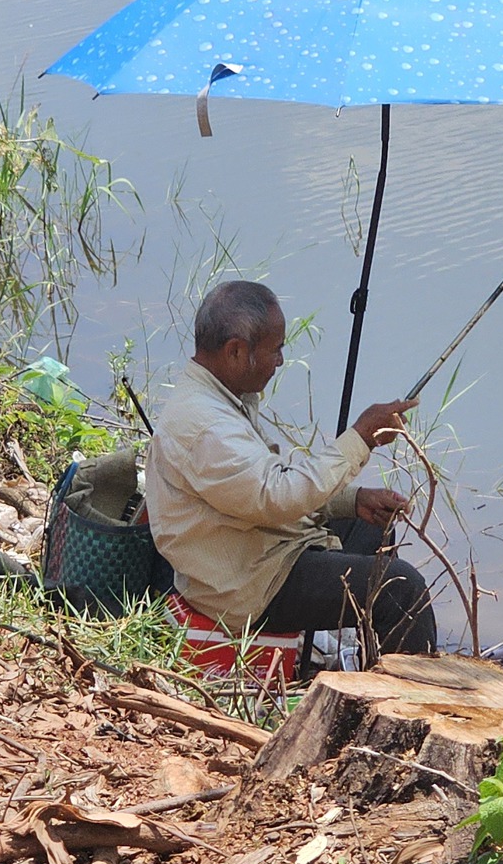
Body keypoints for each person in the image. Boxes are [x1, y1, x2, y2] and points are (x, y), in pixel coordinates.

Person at [144, 280, 437, 655]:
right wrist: (360, 436)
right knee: (401, 589)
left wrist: (352, 501)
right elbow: (275, 497)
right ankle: (414, 700)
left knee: (371, 526)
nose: (280, 361)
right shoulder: (205, 426)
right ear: (236, 351)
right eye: (276, 349)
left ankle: (373, 671)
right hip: (246, 586)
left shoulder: (217, 398)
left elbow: (259, 485)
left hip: (255, 547)